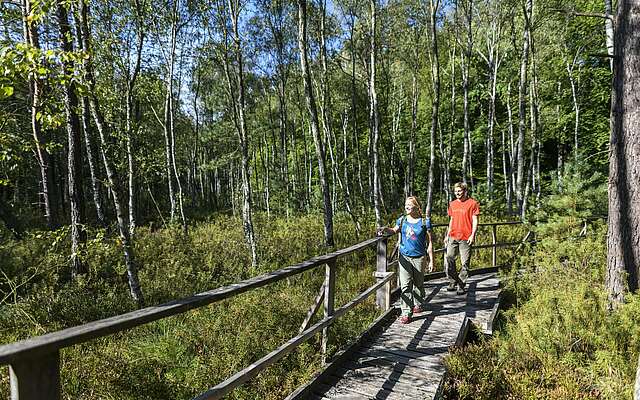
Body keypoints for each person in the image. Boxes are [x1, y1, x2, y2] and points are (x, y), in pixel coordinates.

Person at [378, 196, 434, 324]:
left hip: (419, 257)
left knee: (418, 283)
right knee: (405, 285)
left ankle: (418, 303)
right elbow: (394, 230)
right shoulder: (402, 220)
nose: (407, 207)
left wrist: (431, 260)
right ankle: (406, 312)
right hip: (404, 257)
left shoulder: (425, 222)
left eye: (410, 205)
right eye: (406, 205)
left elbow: (430, 242)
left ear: (417, 207)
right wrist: (385, 230)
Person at [445, 182, 480, 295]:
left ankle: (461, 284)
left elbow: (475, 220)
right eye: (455, 191)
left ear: (465, 191)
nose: (457, 193)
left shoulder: (473, 203)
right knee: (449, 258)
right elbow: (451, 220)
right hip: (453, 235)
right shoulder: (452, 204)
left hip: (466, 236)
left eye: (459, 191)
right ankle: (453, 281)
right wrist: (447, 234)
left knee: (465, 262)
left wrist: (472, 235)